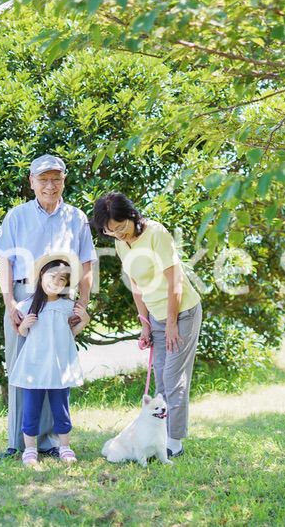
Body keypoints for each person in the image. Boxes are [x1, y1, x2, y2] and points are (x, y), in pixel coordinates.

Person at [0, 154, 95, 459]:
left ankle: (52, 443)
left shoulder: (77, 217)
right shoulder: (17, 216)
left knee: (56, 367)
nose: (50, 186)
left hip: (61, 298)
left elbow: (86, 264)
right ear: (31, 182)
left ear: (64, 181)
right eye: (44, 179)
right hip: (25, 297)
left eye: (56, 179)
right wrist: (10, 303)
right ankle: (19, 443)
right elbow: (5, 263)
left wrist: (83, 305)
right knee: (23, 370)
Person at [91, 192, 202, 458]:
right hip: (156, 317)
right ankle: (159, 436)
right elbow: (137, 287)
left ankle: (174, 442)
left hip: (182, 313)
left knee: (173, 380)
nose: (119, 235)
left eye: (121, 228)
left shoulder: (156, 233)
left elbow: (174, 281)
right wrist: (145, 323)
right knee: (161, 382)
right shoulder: (121, 244)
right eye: (111, 232)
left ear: (132, 216)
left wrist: (173, 323)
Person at [11, 256, 88, 465]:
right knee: (31, 409)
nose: (56, 282)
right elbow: (22, 333)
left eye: (62, 280)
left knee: (61, 408)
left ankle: (65, 447)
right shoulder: (26, 305)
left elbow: (69, 335)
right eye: (53, 276)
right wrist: (24, 325)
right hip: (34, 367)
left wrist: (84, 322)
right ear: (41, 276)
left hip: (59, 367)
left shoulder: (67, 306)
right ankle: (30, 449)